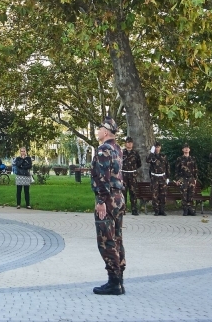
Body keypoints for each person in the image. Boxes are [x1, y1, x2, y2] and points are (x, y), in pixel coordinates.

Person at [91, 116, 126, 296]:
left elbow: (102, 177)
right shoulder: (117, 149)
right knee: (117, 238)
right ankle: (119, 280)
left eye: (99, 129)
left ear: (105, 132)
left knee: (106, 240)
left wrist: (100, 201)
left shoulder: (104, 149)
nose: (97, 132)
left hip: (109, 199)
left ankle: (114, 282)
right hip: (119, 197)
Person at [175, 144, 198, 216]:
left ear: (189, 149)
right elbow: (177, 170)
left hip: (191, 178)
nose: (186, 149)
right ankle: (185, 209)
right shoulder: (179, 159)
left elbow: (195, 169)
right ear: (182, 150)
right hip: (183, 178)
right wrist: (178, 179)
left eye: (187, 148)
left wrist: (195, 178)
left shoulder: (192, 158)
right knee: (184, 195)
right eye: (185, 148)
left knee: (191, 194)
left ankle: (190, 209)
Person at [147, 142, 169, 216]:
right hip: (154, 177)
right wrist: (151, 153)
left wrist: (168, 177)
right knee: (155, 194)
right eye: (156, 147)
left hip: (162, 177)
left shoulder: (163, 156)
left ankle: (162, 210)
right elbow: (147, 160)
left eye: (158, 147)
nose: (157, 148)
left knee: (163, 194)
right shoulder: (152, 156)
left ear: (160, 147)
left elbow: (167, 166)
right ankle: (156, 210)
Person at [121, 137, 141, 216]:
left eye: (130, 142)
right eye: (128, 142)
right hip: (124, 174)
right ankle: (123, 209)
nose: (129, 144)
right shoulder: (122, 152)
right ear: (125, 143)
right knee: (123, 193)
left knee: (133, 193)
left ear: (132, 144)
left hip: (132, 175)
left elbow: (139, 164)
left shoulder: (135, 153)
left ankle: (134, 209)